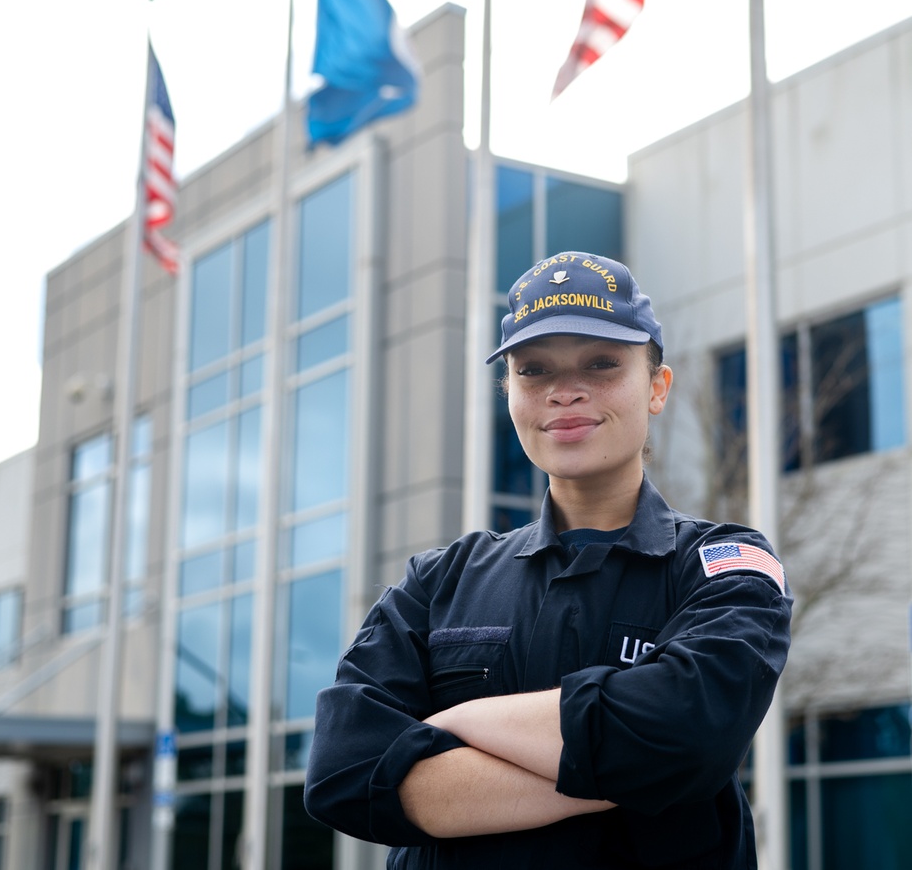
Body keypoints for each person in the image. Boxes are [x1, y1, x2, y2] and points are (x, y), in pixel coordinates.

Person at [304, 251, 792, 869]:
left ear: (657, 387)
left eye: (602, 363)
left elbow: (689, 735)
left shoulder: (725, 566)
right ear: (510, 394)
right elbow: (345, 772)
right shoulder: (438, 581)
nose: (565, 391)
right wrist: (628, 766)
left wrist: (457, 722)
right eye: (534, 370)